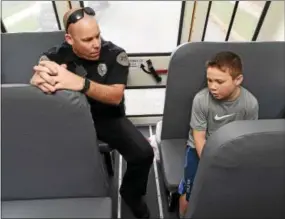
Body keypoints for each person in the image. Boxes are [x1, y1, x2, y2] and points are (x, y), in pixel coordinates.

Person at [30, 7, 154, 219]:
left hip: (107, 117)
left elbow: (115, 96)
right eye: (87, 40)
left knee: (144, 154)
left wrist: (79, 83)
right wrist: (38, 81)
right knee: (44, 153)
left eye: (97, 35)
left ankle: (131, 193)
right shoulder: (54, 56)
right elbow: (38, 80)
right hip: (69, 119)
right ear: (70, 39)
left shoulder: (115, 54)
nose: (96, 43)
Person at [178, 51, 259, 218]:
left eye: (219, 81)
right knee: (190, 191)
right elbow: (199, 137)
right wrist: (211, 164)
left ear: (238, 80)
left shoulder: (250, 104)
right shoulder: (201, 100)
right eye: (209, 80)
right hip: (200, 149)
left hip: (232, 150)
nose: (212, 86)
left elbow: (247, 137)